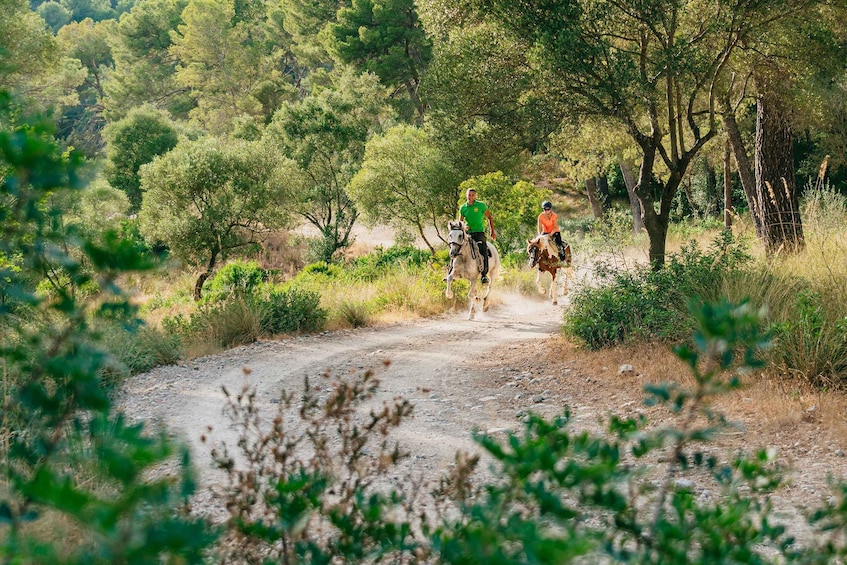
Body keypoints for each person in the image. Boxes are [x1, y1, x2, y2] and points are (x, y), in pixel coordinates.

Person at [458, 188, 496, 283]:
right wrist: (464, 226)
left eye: (472, 195)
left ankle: (484, 275)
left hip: (479, 233)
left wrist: (492, 231)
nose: (470, 197)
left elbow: (489, 217)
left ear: (475, 196)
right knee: (456, 248)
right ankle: (452, 270)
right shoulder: (463, 208)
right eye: (469, 195)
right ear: (466, 195)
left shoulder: (481, 205)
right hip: (468, 233)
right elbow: (460, 223)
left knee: (483, 249)